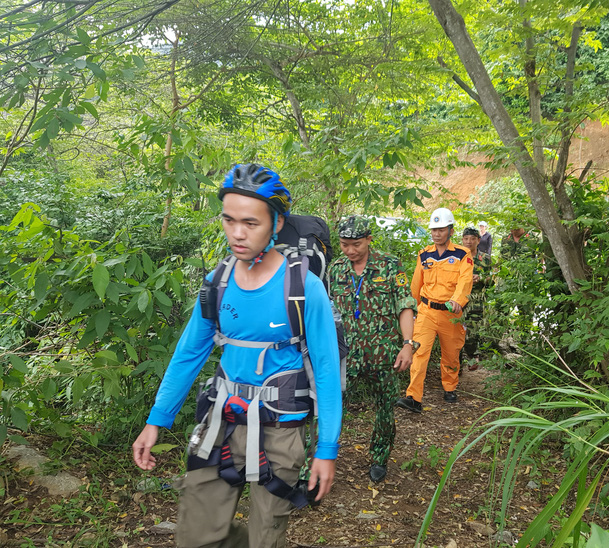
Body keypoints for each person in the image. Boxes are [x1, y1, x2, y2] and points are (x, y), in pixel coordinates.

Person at [132, 163, 342, 548]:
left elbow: (327, 372)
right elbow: (189, 353)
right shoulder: (218, 282)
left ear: (277, 224)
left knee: (267, 537)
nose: (237, 233)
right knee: (194, 536)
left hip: (282, 429)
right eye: (229, 220)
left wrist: (327, 450)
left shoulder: (304, 288)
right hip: (221, 423)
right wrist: (155, 421)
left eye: (251, 222)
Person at [329, 216, 417, 483]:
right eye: (345, 244)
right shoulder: (336, 269)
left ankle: (379, 457)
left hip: (384, 352)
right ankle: (318, 459)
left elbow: (405, 305)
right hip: (346, 355)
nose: (351, 250)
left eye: (356, 244)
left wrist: (407, 344)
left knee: (385, 408)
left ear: (369, 239)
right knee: (330, 405)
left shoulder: (390, 266)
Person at [395, 207, 473, 412]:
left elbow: (465, 282)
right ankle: (413, 397)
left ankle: (450, 387)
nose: (436, 234)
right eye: (433, 230)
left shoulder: (462, 255)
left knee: (451, 353)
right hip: (426, 311)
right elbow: (415, 285)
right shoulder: (424, 255)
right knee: (418, 352)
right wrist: (409, 311)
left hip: (451, 313)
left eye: (441, 230)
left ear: (451, 230)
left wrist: (458, 300)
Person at [461, 227, 491, 369]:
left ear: (478, 241)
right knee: (455, 334)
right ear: (462, 240)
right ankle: (456, 366)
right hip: (459, 300)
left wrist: (482, 278)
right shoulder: (457, 258)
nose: (469, 242)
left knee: (472, 334)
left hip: (476, 302)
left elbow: (493, 280)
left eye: (472, 239)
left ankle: (473, 356)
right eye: (466, 239)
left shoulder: (485, 259)